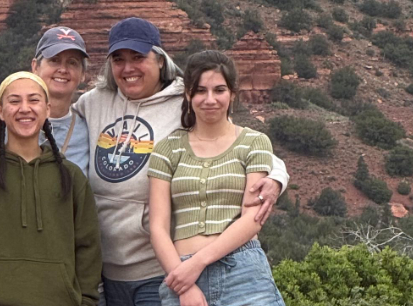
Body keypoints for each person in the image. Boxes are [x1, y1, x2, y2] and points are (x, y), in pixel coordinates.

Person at [72, 18, 290, 306]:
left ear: (160, 60)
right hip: (107, 270)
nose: (128, 68)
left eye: (138, 57)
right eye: (118, 59)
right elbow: (54, 125)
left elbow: (232, 143)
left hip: (161, 269)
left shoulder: (186, 99)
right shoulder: (93, 102)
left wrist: (277, 177)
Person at [0, 72, 102, 306]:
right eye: (15, 101)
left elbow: (88, 249)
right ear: (0, 111)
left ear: (47, 109)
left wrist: (85, 301)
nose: (25, 108)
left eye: (34, 100)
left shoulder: (71, 176)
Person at [147, 51, 285, 306]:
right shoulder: (167, 149)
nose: (210, 99)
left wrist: (198, 263)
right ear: (188, 95)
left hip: (243, 272)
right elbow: (157, 227)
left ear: (232, 94)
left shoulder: (254, 142)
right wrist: (184, 284)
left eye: (219, 90)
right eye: (200, 91)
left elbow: (252, 219)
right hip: (181, 274)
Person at [0, 26, 93, 173]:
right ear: (35, 66)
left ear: (83, 74)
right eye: (54, 60)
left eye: (72, 63)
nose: (63, 69)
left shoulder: (87, 131)